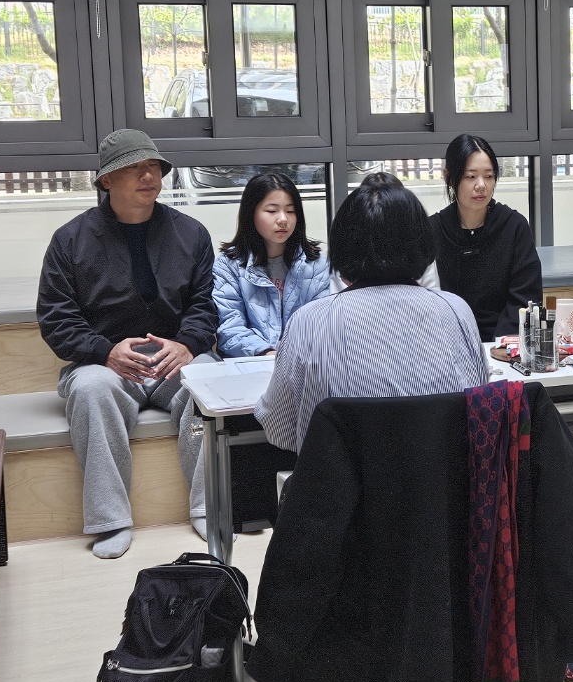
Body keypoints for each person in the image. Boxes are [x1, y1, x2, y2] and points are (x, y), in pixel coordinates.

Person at [37, 130, 216, 559]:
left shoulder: (191, 233)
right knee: (90, 390)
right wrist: (104, 352)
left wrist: (187, 344)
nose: (148, 176)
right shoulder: (70, 239)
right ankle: (110, 519)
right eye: (134, 168)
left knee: (209, 380)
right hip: (105, 362)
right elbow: (56, 319)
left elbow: (205, 305)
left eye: (153, 166)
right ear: (106, 180)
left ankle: (210, 506)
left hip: (174, 359)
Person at [256, 172, 489, 453]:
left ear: (342, 246)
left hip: (339, 481)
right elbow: (477, 411)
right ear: (422, 243)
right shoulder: (456, 311)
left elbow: (280, 431)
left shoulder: (308, 321)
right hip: (440, 478)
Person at [430, 133, 542, 340]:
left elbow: (525, 298)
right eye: (470, 176)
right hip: (448, 343)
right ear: (449, 177)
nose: (481, 185)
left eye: (489, 176)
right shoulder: (432, 230)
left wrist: (498, 346)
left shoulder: (514, 226)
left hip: (504, 345)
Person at [212, 172, 331, 358]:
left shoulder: (316, 264)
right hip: (250, 363)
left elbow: (323, 324)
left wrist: (293, 358)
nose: (283, 219)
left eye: (290, 211)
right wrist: (267, 353)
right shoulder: (229, 265)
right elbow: (229, 327)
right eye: (271, 211)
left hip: (303, 362)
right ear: (251, 213)